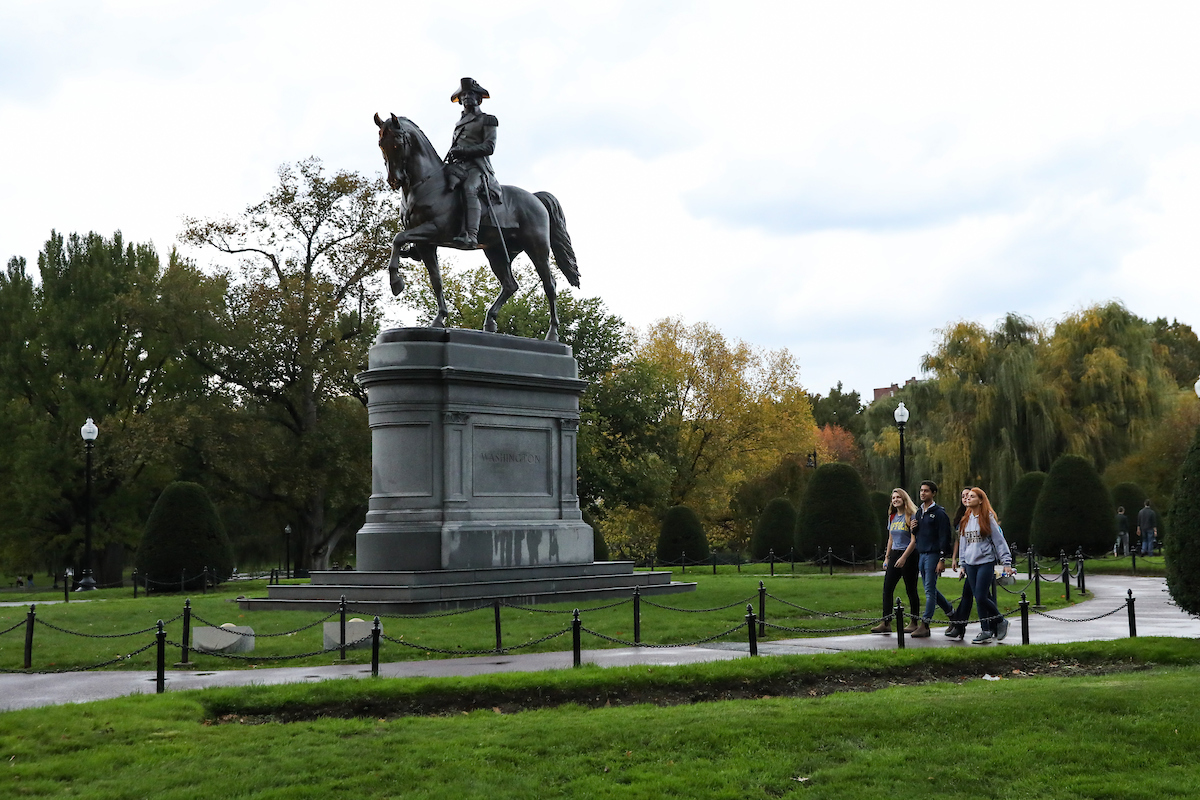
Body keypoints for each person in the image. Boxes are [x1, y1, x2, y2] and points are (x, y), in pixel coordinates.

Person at [953, 487, 1015, 644]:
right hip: (971, 564)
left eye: (972, 496)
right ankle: (985, 630)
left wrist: (1006, 562)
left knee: (981, 596)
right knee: (979, 598)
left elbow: (999, 541)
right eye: (967, 497)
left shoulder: (987, 518)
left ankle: (1001, 621)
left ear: (980, 500)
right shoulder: (965, 520)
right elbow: (963, 545)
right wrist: (963, 564)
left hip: (986, 562)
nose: (968, 498)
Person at [446, 77, 500, 249]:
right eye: (464, 94)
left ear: (478, 98)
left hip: (478, 168)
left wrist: (464, 152)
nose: (467, 97)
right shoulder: (458, 124)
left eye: (471, 94)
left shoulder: (487, 119)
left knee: (470, 189)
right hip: (458, 167)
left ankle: (471, 235)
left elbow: (489, 147)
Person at [871, 489, 921, 634]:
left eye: (898, 497)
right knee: (887, 588)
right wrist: (887, 557)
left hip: (909, 554)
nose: (895, 499)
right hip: (895, 554)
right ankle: (886, 622)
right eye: (893, 497)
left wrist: (904, 557)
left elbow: (914, 541)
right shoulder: (892, 516)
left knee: (910, 589)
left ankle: (914, 622)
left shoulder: (911, 516)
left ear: (904, 499)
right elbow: (891, 539)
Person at [909, 480, 955, 638]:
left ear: (933, 493)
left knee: (929, 591)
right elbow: (917, 535)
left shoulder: (939, 513)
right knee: (931, 590)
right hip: (922, 553)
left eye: (926, 491)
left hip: (933, 554)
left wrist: (942, 558)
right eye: (921, 490)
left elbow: (944, 536)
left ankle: (925, 624)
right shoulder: (919, 512)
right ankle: (952, 614)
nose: (923, 493)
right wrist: (913, 529)